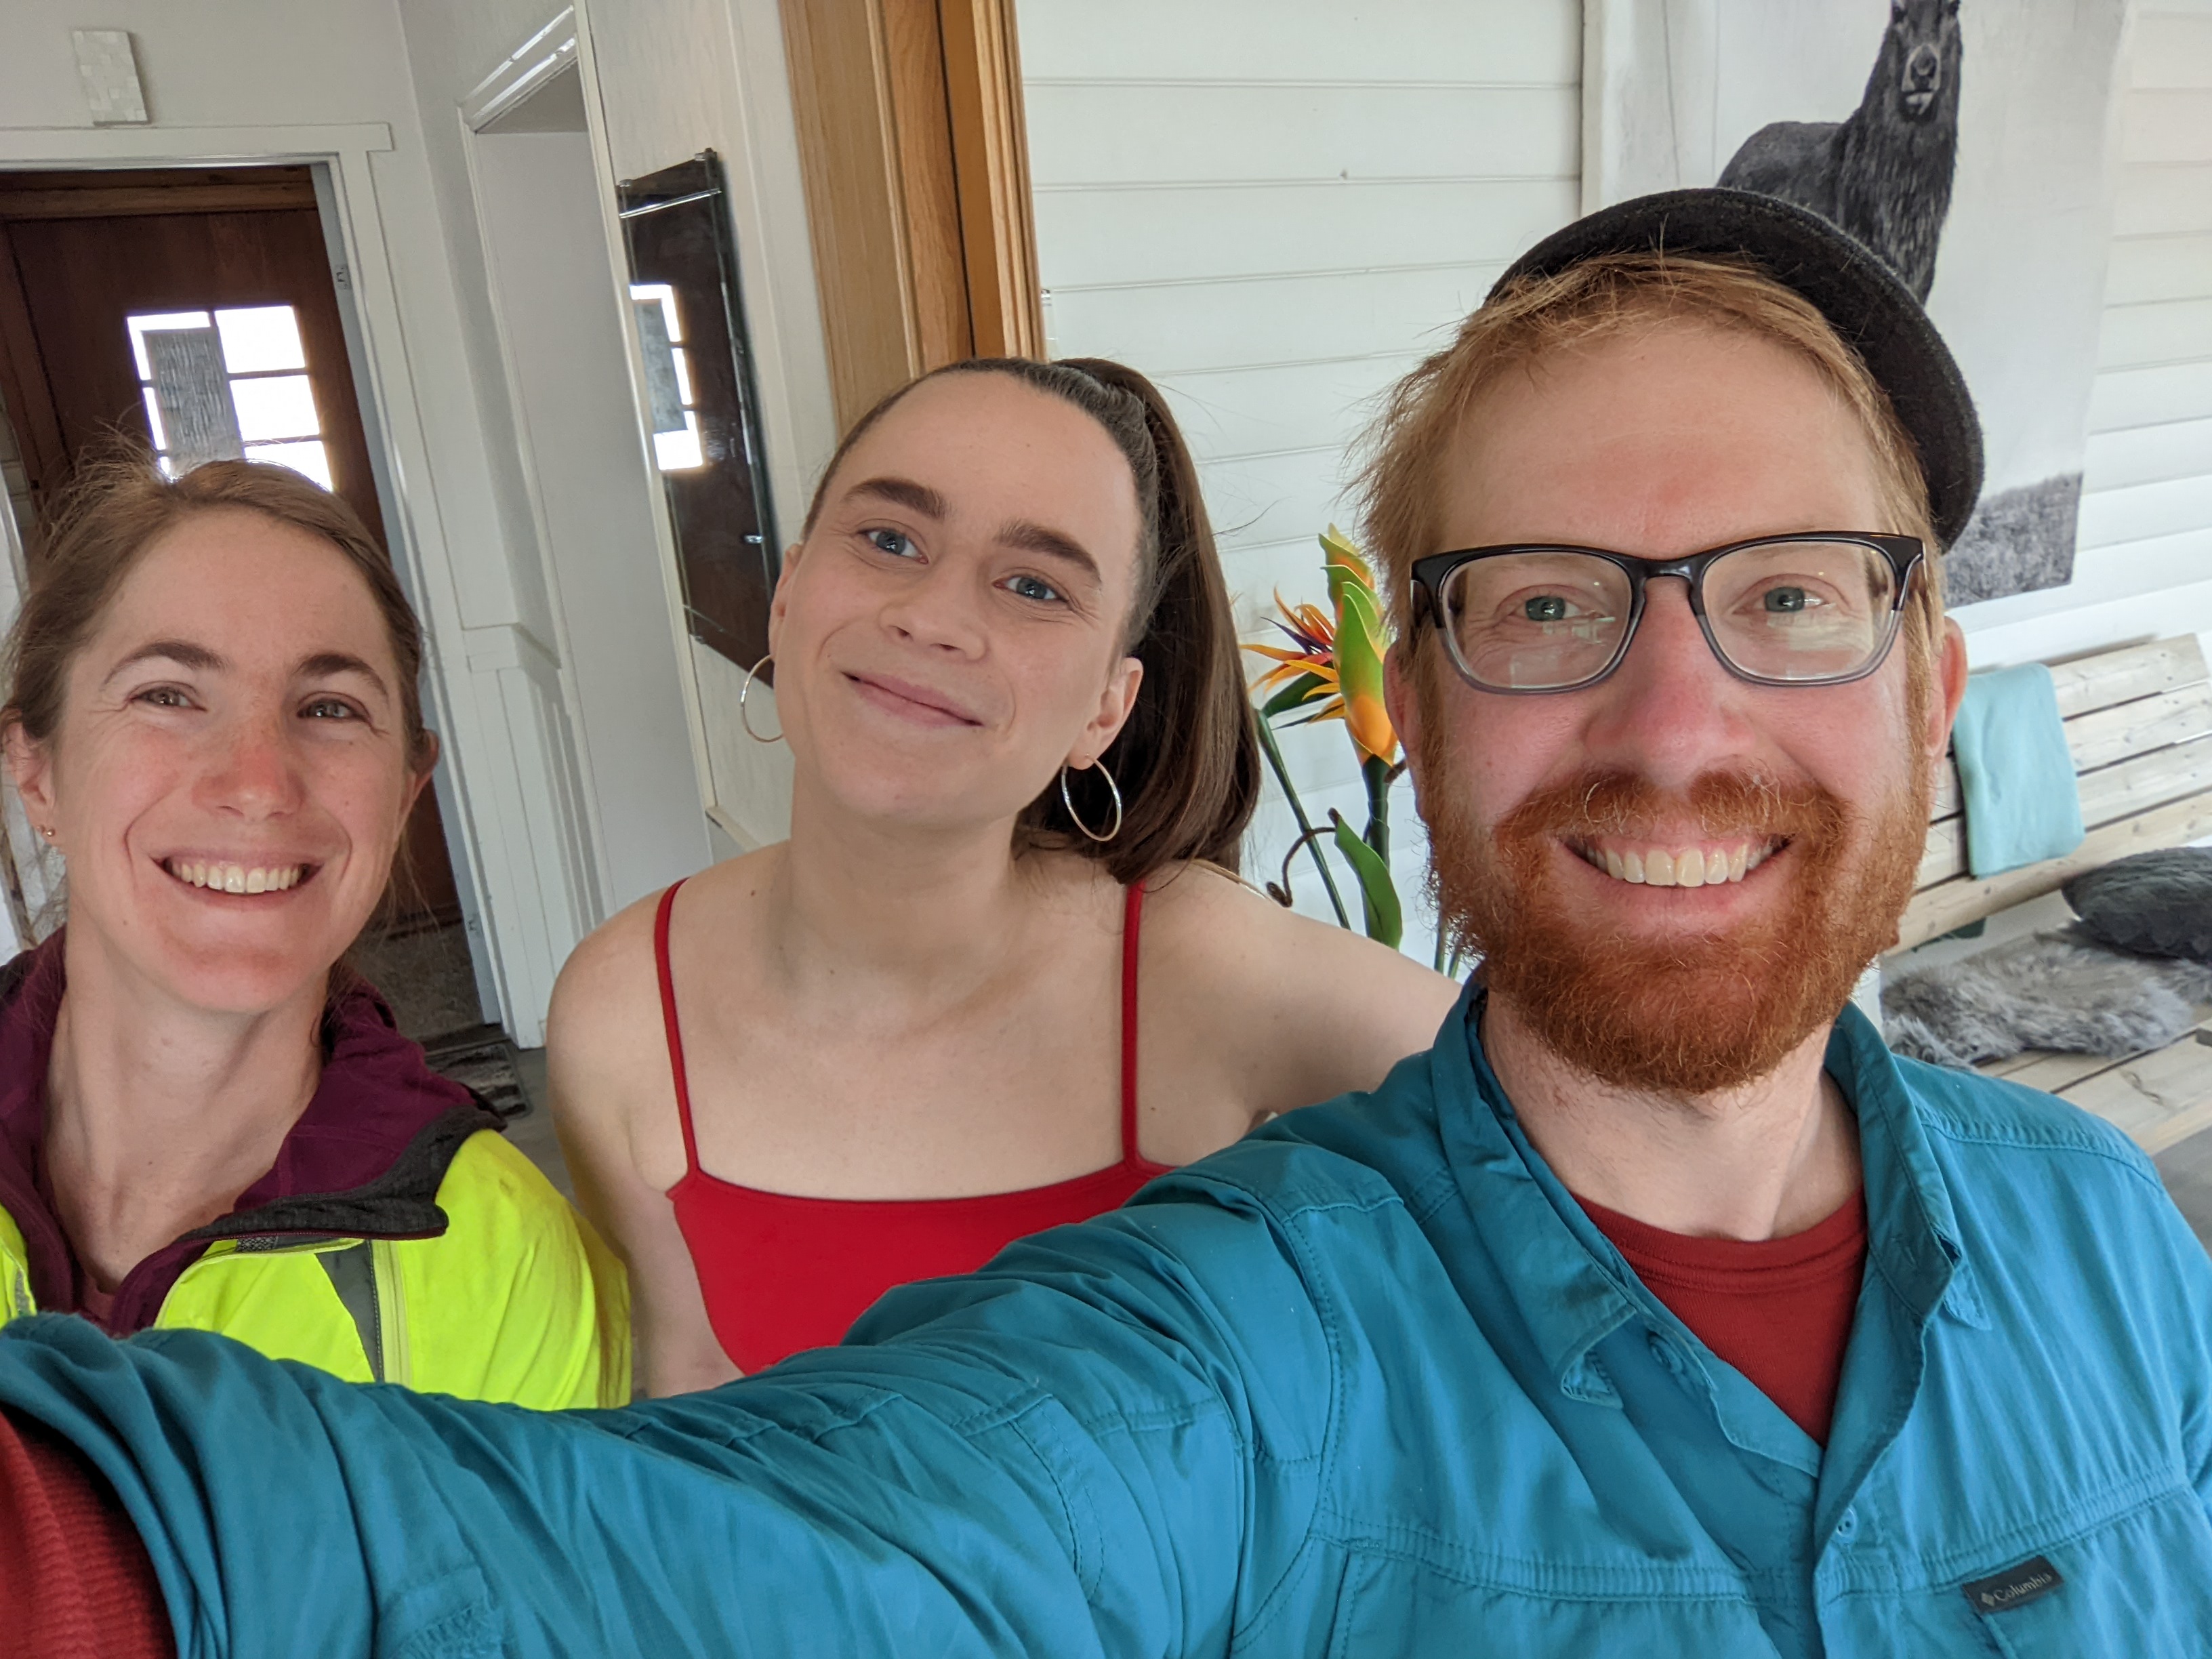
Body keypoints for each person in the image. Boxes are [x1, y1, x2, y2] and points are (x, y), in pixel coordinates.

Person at [4, 190, 2211, 1657]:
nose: (1676, 710)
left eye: (1791, 593)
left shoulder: (2110, 1232)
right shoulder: (1238, 1324)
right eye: (1545, 605)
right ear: (1416, 713)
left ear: (1932, 677)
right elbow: (690, 1526)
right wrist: (97, 1538)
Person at [549, 355, 1458, 1391]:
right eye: (890, 539)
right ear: (790, 594)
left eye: (1035, 585)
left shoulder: (1194, 967)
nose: (933, 616)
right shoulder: (623, 1008)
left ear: (1105, 710)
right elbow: (680, 1421)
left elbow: (1576, 1139)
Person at [0, 457, 627, 1410]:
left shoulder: (504, 1263)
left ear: (406, 790)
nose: (258, 782)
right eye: (168, 694)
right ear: (36, 770)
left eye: (330, 709)